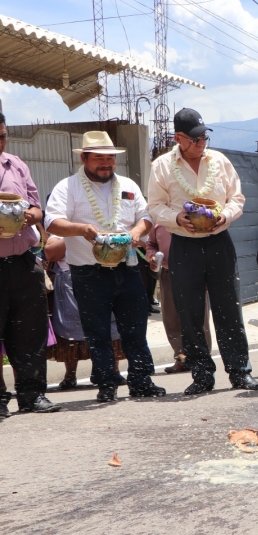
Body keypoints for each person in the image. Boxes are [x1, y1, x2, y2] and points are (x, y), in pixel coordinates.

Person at [148, 108, 258, 394]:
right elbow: (155, 206)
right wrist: (177, 218)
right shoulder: (162, 166)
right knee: (190, 312)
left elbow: (237, 197)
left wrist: (225, 215)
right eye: (195, 139)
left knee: (229, 309)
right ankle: (202, 375)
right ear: (178, 138)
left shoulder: (220, 161)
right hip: (184, 245)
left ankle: (240, 372)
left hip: (218, 242)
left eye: (204, 137)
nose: (201, 143)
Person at [45, 131, 165, 402]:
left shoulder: (128, 185)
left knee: (135, 327)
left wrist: (136, 231)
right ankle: (106, 383)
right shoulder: (68, 186)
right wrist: (81, 229)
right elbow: (51, 222)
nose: (105, 163)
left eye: (110, 158)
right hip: (88, 271)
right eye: (98, 158)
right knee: (96, 330)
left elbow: (146, 216)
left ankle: (141, 380)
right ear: (84, 158)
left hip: (128, 267)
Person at [0, 111, 60, 415]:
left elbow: (38, 207)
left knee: (30, 331)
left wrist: (31, 215)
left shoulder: (16, 165)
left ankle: (32, 393)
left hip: (23, 260)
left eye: (2, 136)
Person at [44, 236, 127, 389]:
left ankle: (112, 370)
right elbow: (51, 253)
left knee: (110, 324)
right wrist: (77, 232)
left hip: (104, 274)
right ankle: (70, 375)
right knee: (71, 326)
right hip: (70, 278)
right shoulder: (60, 227)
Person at [146, 223, 212, 374]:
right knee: (171, 319)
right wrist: (151, 256)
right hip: (168, 274)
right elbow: (151, 244)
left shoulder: (191, 219)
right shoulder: (158, 222)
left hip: (194, 275)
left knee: (199, 318)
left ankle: (202, 359)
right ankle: (181, 358)